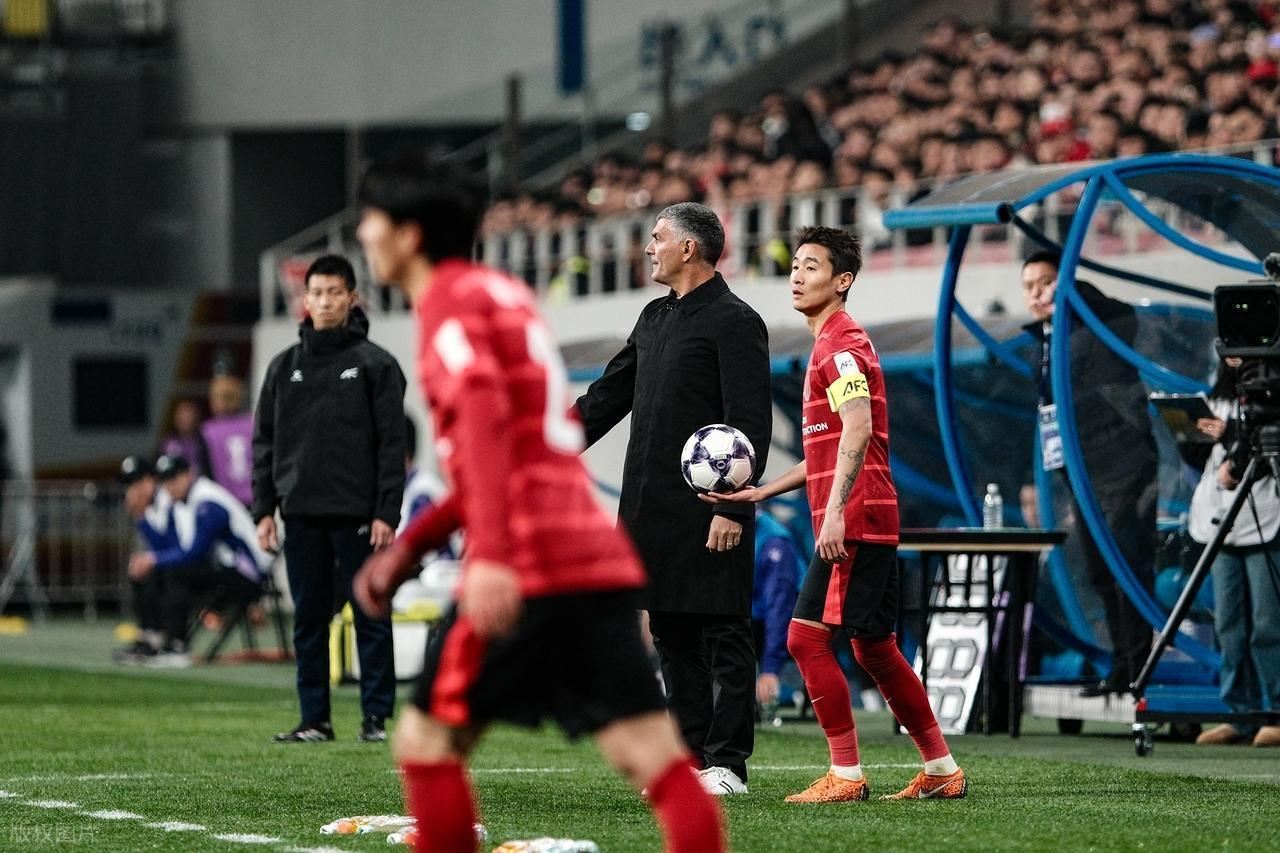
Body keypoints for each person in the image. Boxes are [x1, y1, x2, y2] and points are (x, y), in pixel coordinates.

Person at [349, 154, 724, 853]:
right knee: (652, 754)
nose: (363, 234)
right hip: (594, 556)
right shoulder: (504, 294)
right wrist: (413, 548)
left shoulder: (449, 303)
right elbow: (514, 450)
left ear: (408, 233)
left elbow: (486, 419)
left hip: (526, 560)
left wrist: (490, 556)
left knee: (426, 741)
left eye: (370, 219)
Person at [703, 226, 966, 803]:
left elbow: (859, 426)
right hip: (866, 514)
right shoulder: (832, 344)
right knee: (874, 647)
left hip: (857, 518)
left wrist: (835, 514)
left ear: (842, 281)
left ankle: (846, 775)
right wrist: (763, 491)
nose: (797, 276)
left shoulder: (841, 345)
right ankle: (941, 768)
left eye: (812, 267)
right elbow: (830, 446)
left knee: (804, 640)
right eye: (795, 265)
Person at [573, 202, 773, 795]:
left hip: (710, 509)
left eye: (657, 237)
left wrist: (733, 507)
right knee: (670, 631)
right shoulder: (654, 316)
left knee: (723, 631)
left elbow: (749, 422)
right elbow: (607, 396)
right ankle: (689, 759)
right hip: (648, 505)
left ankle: (728, 764)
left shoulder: (736, 321)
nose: (648, 247)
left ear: (690, 247)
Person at [251, 253, 407, 744]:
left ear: (351, 297)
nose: (324, 302)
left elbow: (392, 446)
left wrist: (386, 512)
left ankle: (375, 718)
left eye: (334, 292)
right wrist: (263, 510)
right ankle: (314, 720)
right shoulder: (284, 367)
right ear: (305, 299)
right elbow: (264, 444)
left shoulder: (377, 365)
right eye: (316, 293)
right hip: (300, 513)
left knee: (370, 614)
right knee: (309, 620)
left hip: (359, 515)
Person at [1020, 250, 1157, 697]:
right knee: (1100, 571)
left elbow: (1121, 315)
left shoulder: (1095, 323)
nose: (1037, 294)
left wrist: (1072, 293)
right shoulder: (1042, 341)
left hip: (1120, 464)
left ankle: (1139, 667)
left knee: (1126, 564)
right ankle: (1122, 664)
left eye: (1046, 282)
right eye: (1029, 286)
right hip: (1080, 471)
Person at [1188, 356, 1280, 747]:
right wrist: (1189, 434)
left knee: (1267, 623)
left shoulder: (1271, 394)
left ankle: (1274, 711)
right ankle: (1239, 713)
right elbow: (1201, 460)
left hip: (1265, 516)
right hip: (1219, 520)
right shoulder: (1218, 393)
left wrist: (1231, 440)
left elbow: (1268, 448)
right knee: (1228, 623)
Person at [123, 454, 271, 668]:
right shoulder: (184, 501)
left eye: (174, 478)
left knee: (177, 572)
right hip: (226, 567)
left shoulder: (207, 501)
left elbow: (194, 552)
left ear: (188, 475)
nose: (170, 486)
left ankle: (177, 646)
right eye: (166, 481)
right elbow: (174, 548)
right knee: (158, 570)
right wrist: (142, 523)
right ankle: (155, 638)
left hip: (248, 574)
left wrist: (153, 559)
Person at [113, 455, 178, 665]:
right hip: (172, 559)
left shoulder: (166, 499)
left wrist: (140, 516)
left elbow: (168, 544)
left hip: (193, 561)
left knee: (151, 570)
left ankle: (159, 636)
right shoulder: (151, 504)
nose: (134, 489)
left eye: (138, 482)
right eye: (130, 484)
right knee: (139, 567)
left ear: (151, 480)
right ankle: (147, 634)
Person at [753, 505, 804, 714]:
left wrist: (769, 669)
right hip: (753, 617)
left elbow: (779, 607)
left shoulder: (774, 541)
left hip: (779, 622)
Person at [202, 373, 255, 508]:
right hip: (253, 499)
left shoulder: (209, 430)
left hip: (225, 501)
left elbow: (206, 471)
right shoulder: (252, 422)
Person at [159, 399, 210, 479]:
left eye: (189, 414)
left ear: (196, 417)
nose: (186, 418)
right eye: (182, 414)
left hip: (200, 481)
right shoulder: (169, 443)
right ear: (175, 417)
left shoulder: (203, 442)